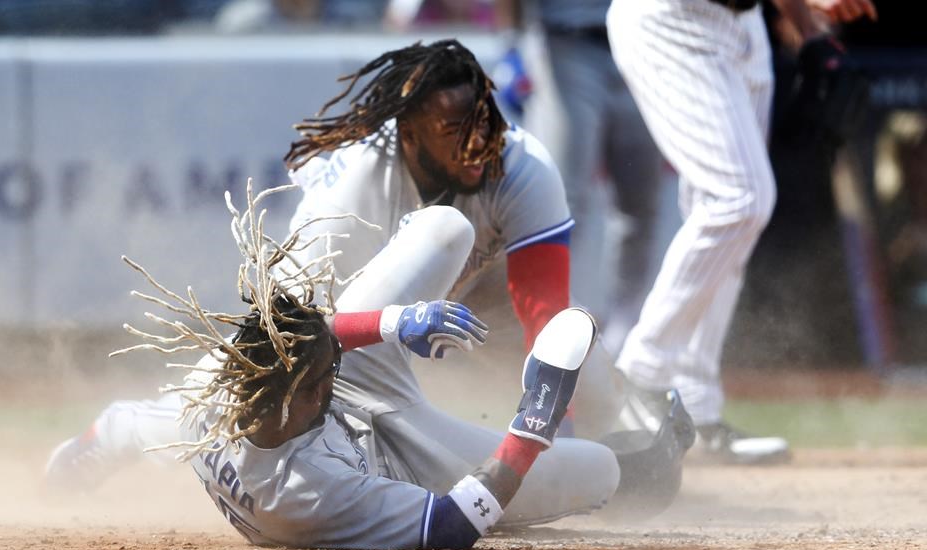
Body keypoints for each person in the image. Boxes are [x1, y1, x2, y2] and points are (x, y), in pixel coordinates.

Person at [47, 39, 694, 521]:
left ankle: (619, 436)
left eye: (482, 123)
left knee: (580, 373)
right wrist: (390, 324)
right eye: (451, 130)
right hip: (341, 336)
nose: (477, 144)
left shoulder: (524, 168)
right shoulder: (356, 182)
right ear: (408, 134)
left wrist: (558, 433)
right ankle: (131, 428)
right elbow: (280, 333)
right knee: (445, 231)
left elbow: (544, 312)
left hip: (466, 306)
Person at [605, 0, 876, 464]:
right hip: (672, 19)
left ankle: (695, 406)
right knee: (738, 200)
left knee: (726, 219)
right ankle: (641, 373)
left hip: (742, 23)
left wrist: (809, 31)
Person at [493, 0, 666, 357]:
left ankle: (625, 336)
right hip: (567, 43)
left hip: (647, 44)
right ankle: (555, 330)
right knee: (564, 198)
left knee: (641, 201)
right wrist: (511, 38)